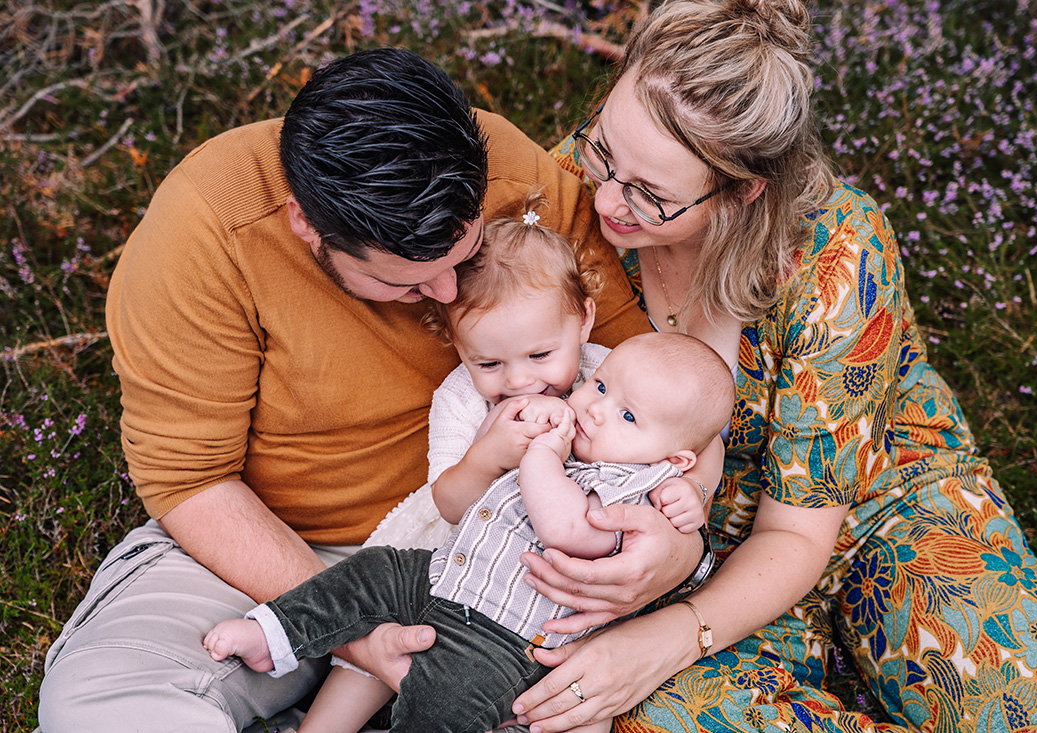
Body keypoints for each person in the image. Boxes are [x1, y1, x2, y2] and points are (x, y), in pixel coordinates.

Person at [36, 47, 711, 732]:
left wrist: (674, 548)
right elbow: (190, 482)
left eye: (466, 253)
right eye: (407, 280)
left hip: (511, 547)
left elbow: (646, 380)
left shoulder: (513, 172)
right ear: (307, 222)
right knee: (99, 708)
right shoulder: (206, 230)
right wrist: (356, 627)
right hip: (270, 549)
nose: (447, 296)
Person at [499, 1, 1037, 731]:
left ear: (745, 190)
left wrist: (669, 637)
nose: (605, 199)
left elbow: (797, 535)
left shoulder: (839, 254)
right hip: (691, 532)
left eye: (650, 196)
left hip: (878, 501)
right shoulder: (578, 189)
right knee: (639, 715)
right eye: (601, 150)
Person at [213, 196, 720, 733]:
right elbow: (449, 502)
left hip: (522, 619)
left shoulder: (616, 376)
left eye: (541, 356)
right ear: (457, 347)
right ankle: (279, 638)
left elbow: (687, 437)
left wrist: (693, 494)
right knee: (367, 585)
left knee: (483, 698)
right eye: (490, 363)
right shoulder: (465, 400)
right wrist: (488, 455)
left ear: (585, 322)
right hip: (445, 557)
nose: (522, 381)